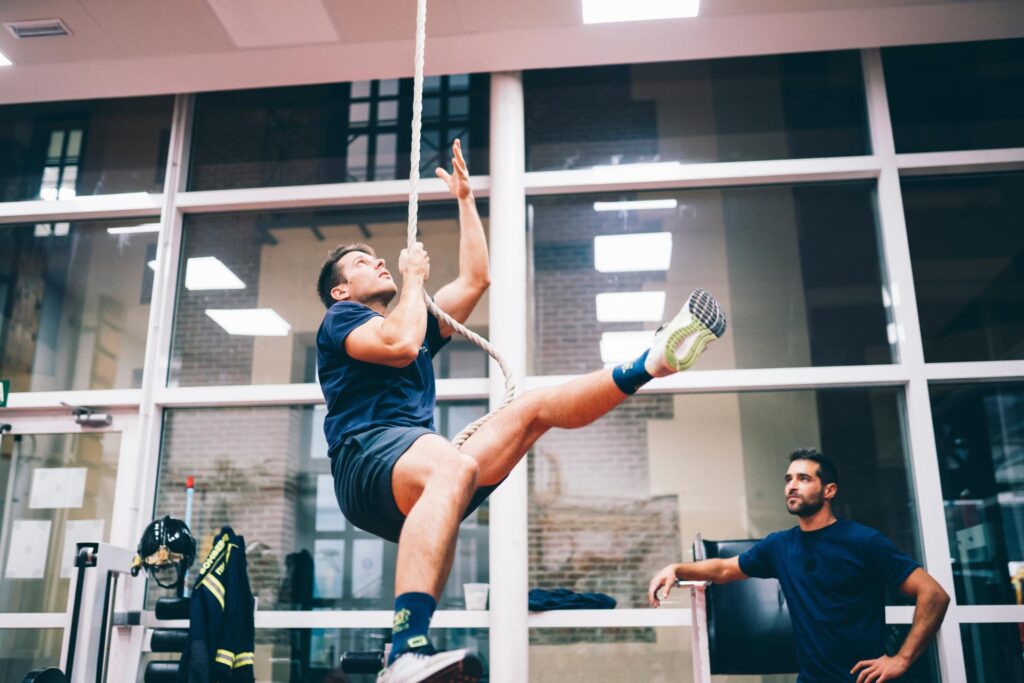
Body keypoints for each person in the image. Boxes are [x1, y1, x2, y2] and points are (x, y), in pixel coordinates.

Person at [316, 139, 727, 683]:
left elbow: (474, 281)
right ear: (342, 289)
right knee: (453, 464)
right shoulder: (342, 321)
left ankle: (650, 362)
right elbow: (395, 342)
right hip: (366, 460)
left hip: (417, 472)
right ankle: (406, 651)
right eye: (362, 261)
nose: (378, 259)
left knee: (532, 410)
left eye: (377, 255)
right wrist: (413, 278)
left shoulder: (411, 322)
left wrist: (465, 200)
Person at [648, 449, 950, 683]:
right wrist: (677, 569)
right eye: (789, 479)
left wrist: (902, 659)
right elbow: (725, 569)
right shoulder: (780, 546)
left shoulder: (864, 541)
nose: (792, 486)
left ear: (829, 490)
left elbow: (933, 595)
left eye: (803, 479)